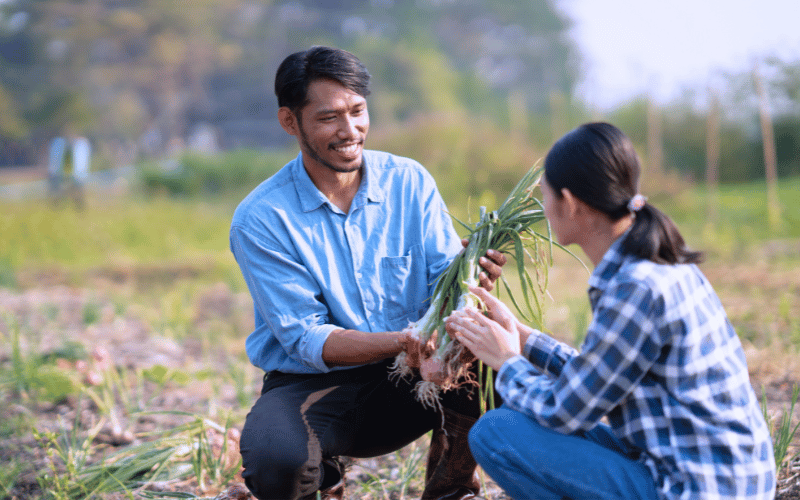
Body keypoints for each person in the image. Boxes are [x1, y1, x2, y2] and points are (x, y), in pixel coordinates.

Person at [229, 46, 506, 500]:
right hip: (318, 383)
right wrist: (403, 341)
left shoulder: (409, 182)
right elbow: (306, 339)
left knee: (499, 361)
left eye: (358, 111)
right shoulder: (262, 218)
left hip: (418, 375)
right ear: (289, 121)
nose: (349, 130)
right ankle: (326, 477)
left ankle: (452, 489)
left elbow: (443, 283)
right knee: (277, 462)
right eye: (328, 118)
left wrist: (469, 280)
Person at [446, 122, 776, 500]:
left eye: (545, 195)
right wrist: (524, 340)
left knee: (497, 433)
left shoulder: (635, 288)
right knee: (516, 418)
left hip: (696, 490)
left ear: (570, 203)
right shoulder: (656, 265)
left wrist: (507, 361)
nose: (544, 206)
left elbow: (563, 411)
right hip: (709, 476)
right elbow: (596, 380)